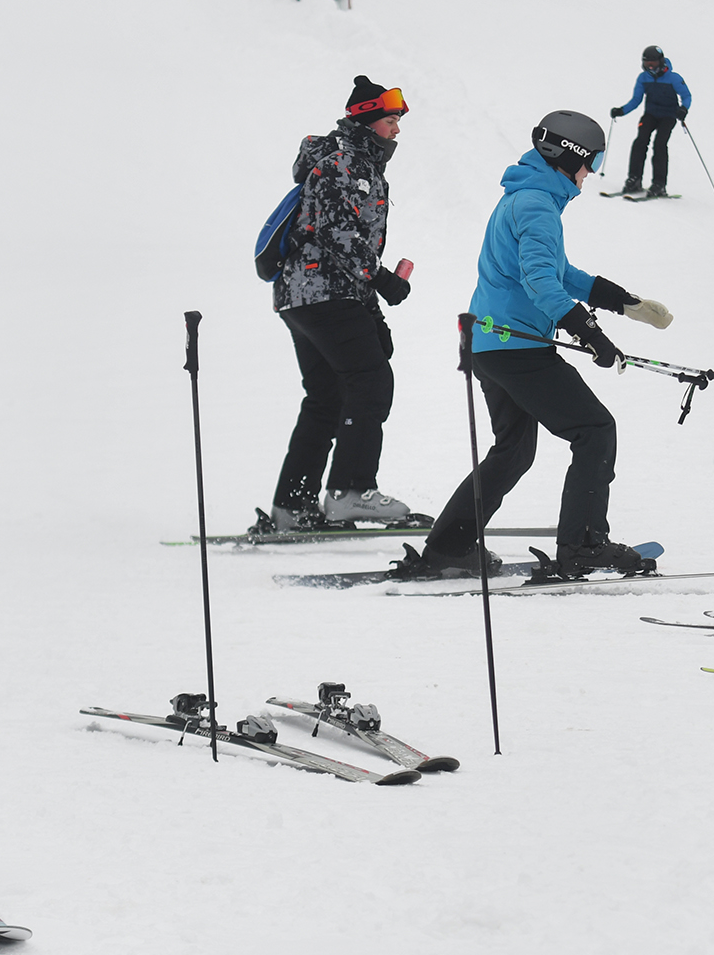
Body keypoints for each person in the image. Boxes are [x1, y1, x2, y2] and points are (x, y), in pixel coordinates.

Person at [416, 111, 675, 579]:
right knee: (595, 430)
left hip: (491, 345)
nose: (591, 172)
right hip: (518, 348)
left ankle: (448, 547)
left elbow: (559, 273)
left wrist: (623, 302)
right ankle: (584, 546)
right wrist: (590, 333)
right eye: (589, 161)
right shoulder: (536, 205)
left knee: (513, 451)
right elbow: (542, 284)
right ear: (567, 156)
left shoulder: (527, 198)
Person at [265, 75, 420, 531]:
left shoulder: (355, 163)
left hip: (310, 294)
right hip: (323, 291)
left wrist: (370, 303)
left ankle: (293, 507)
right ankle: (352, 491)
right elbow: (337, 233)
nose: (397, 129)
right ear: (368, 121)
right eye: (391, 120)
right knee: (371, 382)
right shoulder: (342, 164)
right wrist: (382, 279)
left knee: (327, 396)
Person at [609, 46, 692, 200]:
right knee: (640, 142)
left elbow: (686, 96)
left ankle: (659, 184)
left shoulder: (673, 78)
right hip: (650, 115)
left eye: (653, 63)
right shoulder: (643, 78)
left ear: (660, 61)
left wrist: (683, 109)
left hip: (668, 116)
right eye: (647, 63)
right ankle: (634, 179)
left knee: (660, 145)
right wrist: (621, 111)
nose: (651, 66)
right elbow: (636, 100)